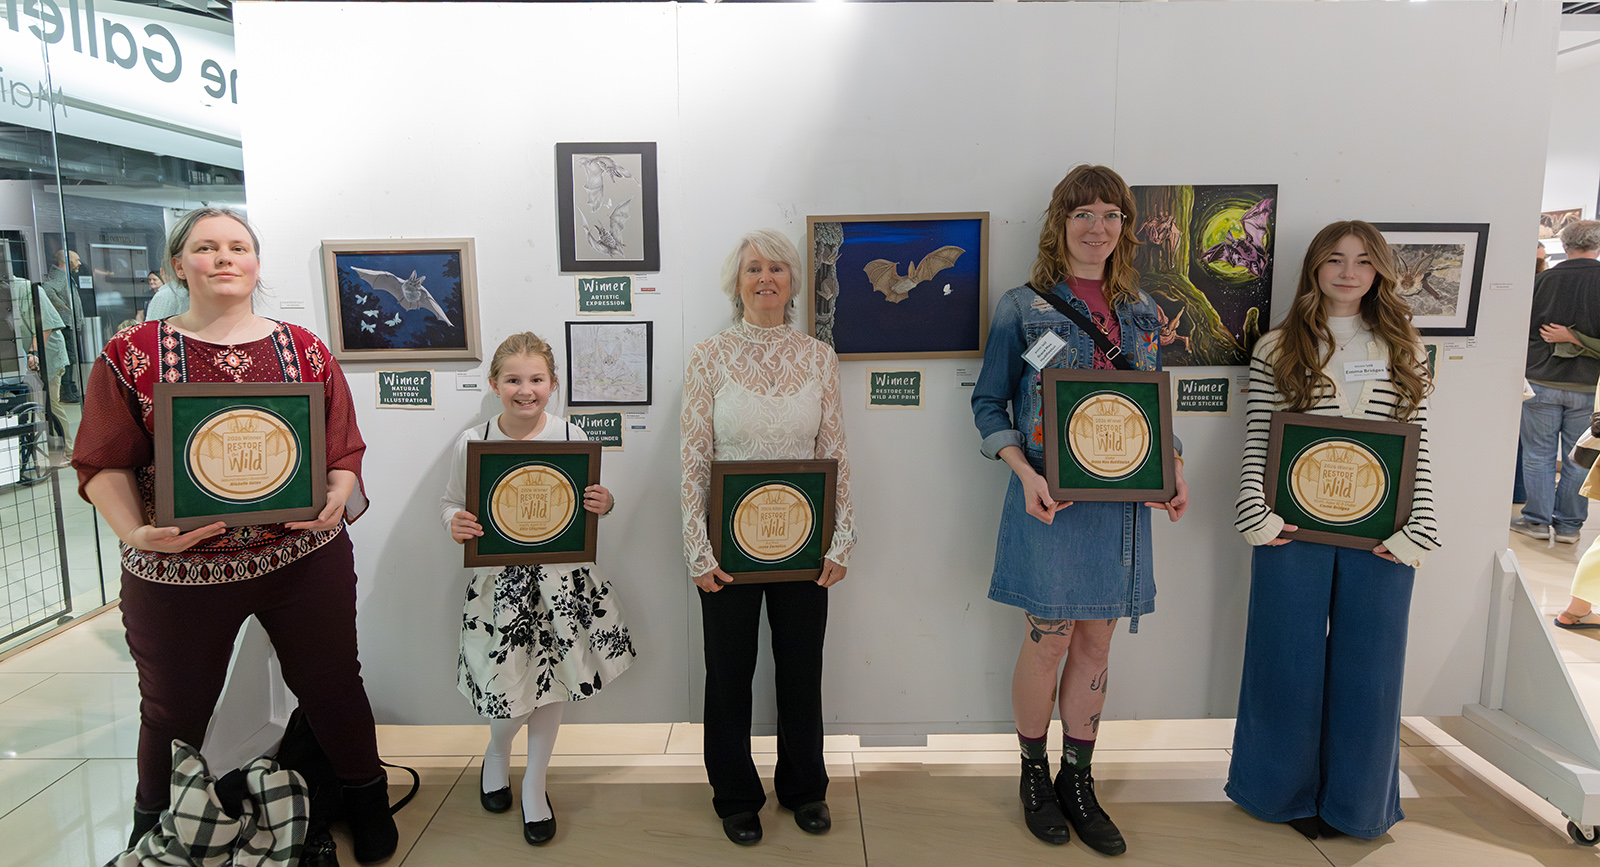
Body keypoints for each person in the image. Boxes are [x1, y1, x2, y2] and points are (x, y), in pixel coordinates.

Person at [71, 207, 400, 863]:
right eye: (205, 248)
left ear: (256, 263)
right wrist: (136, 532)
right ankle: (153, 828)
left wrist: (336, 494)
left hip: (302, 559)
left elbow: (342, 451)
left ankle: (366, 797)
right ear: (176, 266)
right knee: (170, 710)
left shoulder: (304, 349)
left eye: (238, 247)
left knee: (333, 683)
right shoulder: (129, 355)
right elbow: (102, 458)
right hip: (177, 573)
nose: (224, 258)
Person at [970, 164, 1188, 856]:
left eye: (1111, 215)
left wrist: (1175, 464)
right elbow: (987, 404)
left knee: (1097, 641)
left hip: (1123, 506)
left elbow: (1152, 404)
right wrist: (1023, 472)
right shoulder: (1023, 306)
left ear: (1126, 228)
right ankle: (1034, 774)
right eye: (1084, 213)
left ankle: (1078, 777)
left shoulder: (1144, 312)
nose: (1098, 227)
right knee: (1051, 638)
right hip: (1051, 504)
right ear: (1059, 223)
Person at [1228, 220, 1438, 840]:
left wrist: (1419, 524)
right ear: (1314, 267)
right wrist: (1254, 515)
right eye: (1336, 260)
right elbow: (1260, 436)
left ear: (1380, 272)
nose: (1349, 272)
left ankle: (1356, 804)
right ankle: (1280, 794)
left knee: (1370, 671)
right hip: (1290, 527)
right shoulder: (1277, 347)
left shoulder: (1404, 347)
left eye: (1364, 261)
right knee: (1284, 662)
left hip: (1383, 533)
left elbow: (1416, 447)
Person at [680, 228, 855, 846]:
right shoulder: (708, 355)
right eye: (754, 268)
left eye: (777, 268)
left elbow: (834, 450)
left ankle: (805, 788)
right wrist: (695, 548)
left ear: (793, 282)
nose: (766, 278)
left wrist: (842, 538)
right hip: (726, 550)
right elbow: (694, 458)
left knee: (801, 671)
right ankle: (734, 794)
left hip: (805, 544)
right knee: (729, 673)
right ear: (737, 282)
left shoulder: (818, 357)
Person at [440, 331, 636, 846]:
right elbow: (451, 501)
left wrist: (605, 502)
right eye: (513, 380)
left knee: (554, 685)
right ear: (494, 384)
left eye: (536, 380)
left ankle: (535, 784)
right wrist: (454, 521)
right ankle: (498, 752)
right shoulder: (473, 441)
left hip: (561, 581)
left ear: (552, 384)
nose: (525, 390)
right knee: (508, 691)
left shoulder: (571, 437)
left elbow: (590, 503)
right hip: (499, 588)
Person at [1517, 220, 1600, 543]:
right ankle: (1569, 526)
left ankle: (1536, 521)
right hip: (1587, 387)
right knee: (1579, 456)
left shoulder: (1543, 281)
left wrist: (1573, 337)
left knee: (1537, 453)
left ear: (1564, 246)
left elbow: (1523, 331)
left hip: (1541, 379)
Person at [40, 248, 82, 403]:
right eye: (77, 259)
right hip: (64, 323)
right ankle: (66, 391)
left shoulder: (64, 275)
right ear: (67, 260)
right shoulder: (59, 275)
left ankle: (69, 388)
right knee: (68, 357)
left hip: (67, 323)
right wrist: (62, 307)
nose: (79, 263)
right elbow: (47, 289)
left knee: (70, 356)